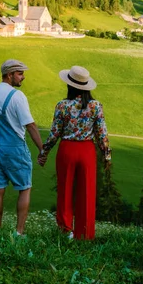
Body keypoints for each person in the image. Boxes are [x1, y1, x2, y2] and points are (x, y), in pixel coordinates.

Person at [38, 65, 111, 240]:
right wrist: (107, 156)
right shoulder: (95, 106)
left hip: (67, 149)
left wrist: (44, 152)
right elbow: (102, 134)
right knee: (87, 191)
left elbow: (55, 132)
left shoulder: (62, 106)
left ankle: (65, 230)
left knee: (65, 189)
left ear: (70, 85)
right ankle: (84, 233)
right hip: (87, 150)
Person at [0, 59, 43, 235]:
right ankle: (19, 232)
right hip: (14, 148)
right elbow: (30, 125)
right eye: (20, 73)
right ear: (9, 75)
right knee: (24, 188)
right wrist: (41, 149)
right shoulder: (17, 97)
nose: (23, 77)